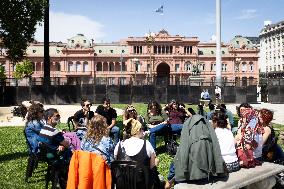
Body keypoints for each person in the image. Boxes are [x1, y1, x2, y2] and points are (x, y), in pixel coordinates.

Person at [114, 118, 158, 189]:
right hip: (141, 185)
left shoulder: (119, 145)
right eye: (142, 129)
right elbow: (152, 167)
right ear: (138, 130)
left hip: (122, 185)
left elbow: (116, 164)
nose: (143, 131)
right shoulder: (146, 144)